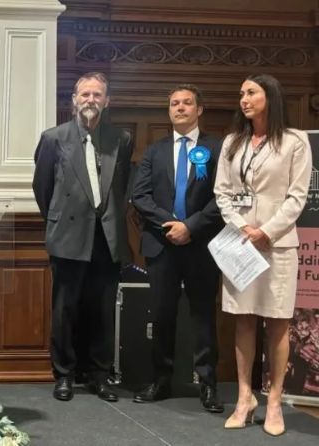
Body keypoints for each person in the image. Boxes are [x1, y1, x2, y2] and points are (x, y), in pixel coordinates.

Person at [214, 73, 311, 436]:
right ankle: (244, 397)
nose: (244, 99)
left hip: (277, 243)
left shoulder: (294, 141)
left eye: (251, 92)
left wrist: (265, 230)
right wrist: (242, 228)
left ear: (270, 95)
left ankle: (273, 401)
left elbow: (297, 196)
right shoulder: (232, 143)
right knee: (243, 319)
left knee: (278, 322)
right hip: (240, 243)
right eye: (241, 93)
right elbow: (222, 192)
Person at [32, 72, 132, 403]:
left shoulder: (122, 139)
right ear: (74, 100)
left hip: (107, 238)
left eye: (97, 95)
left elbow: (123, 187)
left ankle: (99, 376)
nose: (91, 100)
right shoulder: (53, 138)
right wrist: (58, 221)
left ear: (107, 101)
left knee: (103, 310)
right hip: (68, 237)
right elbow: (42, 188)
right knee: (66, 309)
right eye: (85, 94)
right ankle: (65, 375)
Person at [131, 84, 224, 412]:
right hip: (162, 245)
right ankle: (160, 379)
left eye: (187, 103)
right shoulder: (154, 151)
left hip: (201, 245)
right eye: (174, 103)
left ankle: (209, 385)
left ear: (200, 109)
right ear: (168, 110)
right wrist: (171, 223)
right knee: (161, 315)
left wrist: (191, 226)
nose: (180, 108)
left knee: (203, 316)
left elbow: (223, 196)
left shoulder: (217, 147)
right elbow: (139, 196)